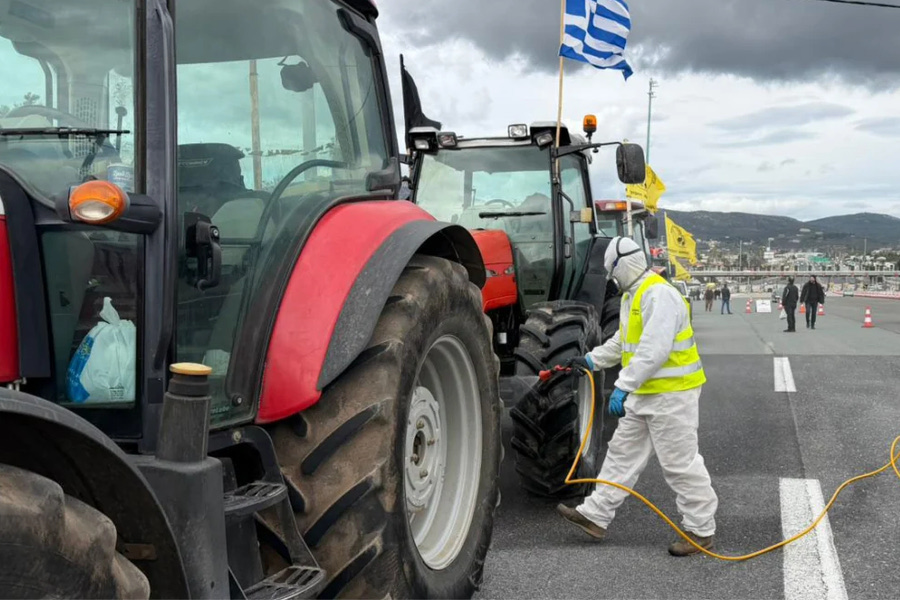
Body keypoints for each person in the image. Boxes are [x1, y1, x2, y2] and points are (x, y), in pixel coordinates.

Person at [557, 237, 718, 556]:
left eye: (613, 272)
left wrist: (622, 385)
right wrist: (592, 359)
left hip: (673, 394)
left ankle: (701, 530)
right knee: (621, 455)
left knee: (679, 464)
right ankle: (595, 516)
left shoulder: (659, 295)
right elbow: (623, 342)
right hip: (646, 393)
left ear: (625, 265)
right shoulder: (635, 295)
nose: (612, 280)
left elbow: (653, 350)